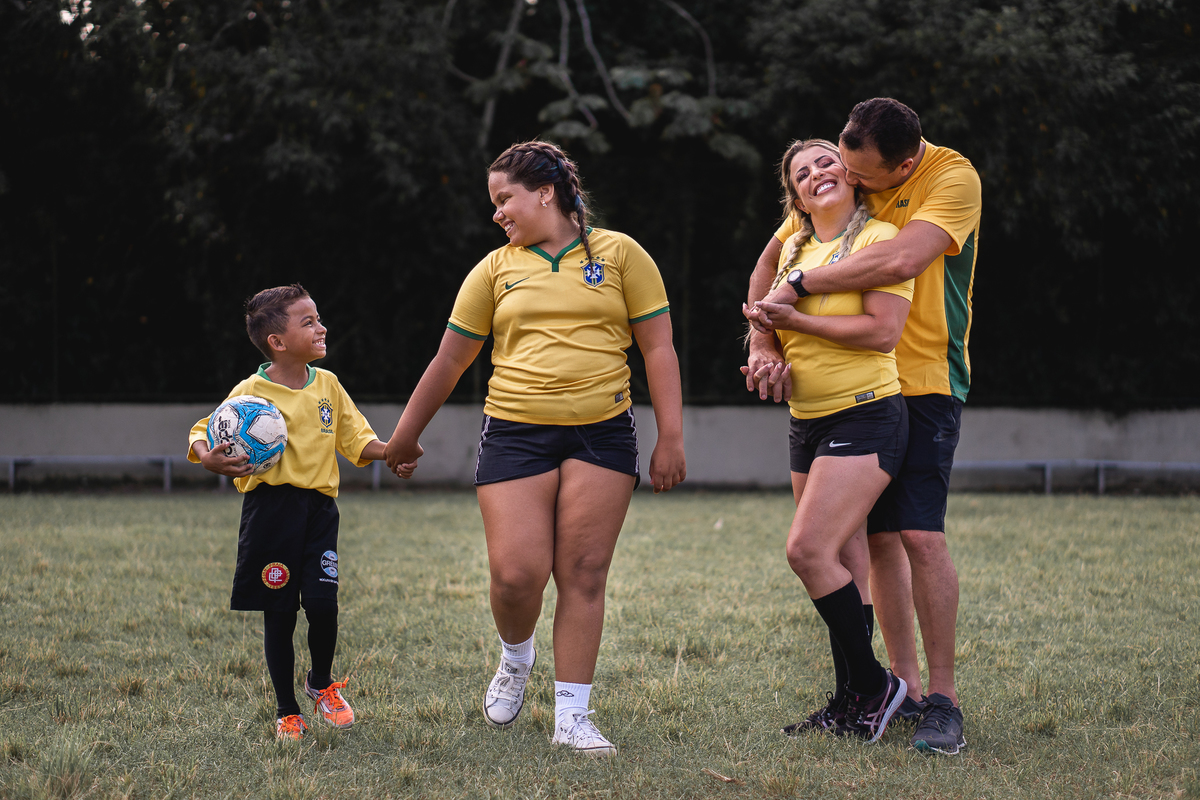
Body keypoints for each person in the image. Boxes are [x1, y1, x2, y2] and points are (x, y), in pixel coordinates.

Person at [383, 141, 686, 756]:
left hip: (602, 432)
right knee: (516, 574)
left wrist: (670, 438)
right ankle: (516, 657)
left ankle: (573, 716)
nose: (497, 213)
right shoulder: (495, 269)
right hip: (515, 433)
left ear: (545, 193)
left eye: (504, 199)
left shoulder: (622, 255)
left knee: (583, 573)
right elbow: (450, 358)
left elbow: (658, 349)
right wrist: (406, 435)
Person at [746, 98, 981, 755]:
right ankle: (895, 686)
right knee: (877, 544)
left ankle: (944, 701)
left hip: (924, 378)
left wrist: (799, 289)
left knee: (918, 534)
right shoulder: (840, 201)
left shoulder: (948, 180)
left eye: (855, 171)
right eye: (826, 164)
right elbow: (770, 263)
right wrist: (762, 343)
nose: (842, 175)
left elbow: (901, 263)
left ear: (897, 167)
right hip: (846, 395)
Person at [187, 284, 414, 740]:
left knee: (323, 604)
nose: (321, 327)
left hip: (319, 511)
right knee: (281, 611)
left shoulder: (328, 385)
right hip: (269, 511)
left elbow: (356, 441)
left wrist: (391, 450)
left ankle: (320, 683)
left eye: (318, 318)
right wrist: (207, 455)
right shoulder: (250, 392)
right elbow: (202, 431)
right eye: (308, 321)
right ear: (277, 341)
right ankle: (286, 711)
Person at [744, 138, 913, 742]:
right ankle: (849, 703)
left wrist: (798, 319)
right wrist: (765, 350)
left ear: (851, 173)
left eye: (825, 161)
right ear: (795, 198)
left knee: (806, 551)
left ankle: (875, 685)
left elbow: (882, 332)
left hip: (867, 415)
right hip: (806, 421)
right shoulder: (795, 246)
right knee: (845, 562)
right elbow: (762, 304)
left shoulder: (882, 240)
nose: (818, 173)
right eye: (802, 172)